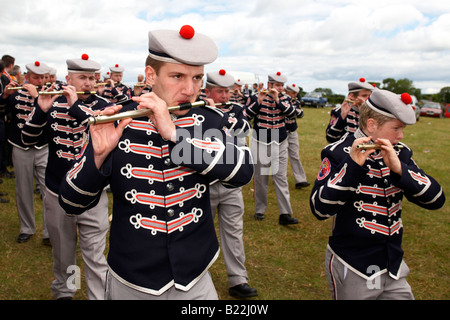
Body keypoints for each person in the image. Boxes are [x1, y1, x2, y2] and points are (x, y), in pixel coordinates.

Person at [57, 25, 254, 300]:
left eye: (197, 78)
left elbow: (243, 171)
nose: (190, 89)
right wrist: (97, 157)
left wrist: (175, 134)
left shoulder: (208, 119)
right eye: (177, 76)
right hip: (131, 280)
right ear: (151, 75)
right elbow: (70, 202)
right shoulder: (116, 119)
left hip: (195, 278)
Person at [310, 89, 446, 300]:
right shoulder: (337, 152)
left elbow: (437, 199)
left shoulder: (401, 152)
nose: (401, 136)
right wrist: (352, 167)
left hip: (392, 263)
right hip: (353, 263)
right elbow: (319, 208)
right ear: (372, 125)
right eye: (396, 128)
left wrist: (400, 169)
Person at [21, 54, 110, 300]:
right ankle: (66, 290)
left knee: (94, 254)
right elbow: (27, 139)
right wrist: (40, 110)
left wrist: (74, 107)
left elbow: (99, 126)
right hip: (57, 191)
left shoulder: (103, 105)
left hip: (93, 194)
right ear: (68, 78)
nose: (89, 83)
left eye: (92, 78)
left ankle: (98, 296)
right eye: (82, 77)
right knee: (64, 251)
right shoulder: (52, 102)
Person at [203, 69, 256, 298]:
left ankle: (238, 279)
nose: (225, 96)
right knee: (200, 232)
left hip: (231, 184)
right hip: (205, 183)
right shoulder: (198, 111)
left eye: (227, 91)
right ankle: (196, 276)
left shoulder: (236, 109)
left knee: (234, 231)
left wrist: (217, 114)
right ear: (208, 91)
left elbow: (243, 128)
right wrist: (209, 112)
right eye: (220, 91)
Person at [0, 60, 50, 244]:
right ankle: (27, 228)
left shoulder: (50, 95)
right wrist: (5, 96)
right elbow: (2, 112)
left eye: (43, 78)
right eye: (35, 77)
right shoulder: (16, 93)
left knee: (48, 191)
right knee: (23, 189)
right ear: (27, 77)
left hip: (43, 146)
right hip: (20, 146)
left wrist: (37, 96)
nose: (39, 81)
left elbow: (50, 116)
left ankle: (48, 232)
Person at [246, 72, 299, 225]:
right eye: (277, 85)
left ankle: (285, 213)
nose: (280, 88)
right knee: (261, 178)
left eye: (282, 85)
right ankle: (259, 210)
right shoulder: (256, 97)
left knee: (280, 177)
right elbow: (246, 115)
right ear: (269, 85)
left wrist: (277, 99)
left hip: (280, 140)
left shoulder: (286, 98)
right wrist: (258, 102)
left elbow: (292, 114)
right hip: (261, 140)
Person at [326, 78, 374, 143]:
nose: (367, 99)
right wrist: (342, 117)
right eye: (364, 96)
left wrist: (364, 114)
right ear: (351, 96)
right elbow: (330, 138)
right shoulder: (338, 111)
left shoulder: (372, 113)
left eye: (369, 96)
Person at [284, 83, 310, 189]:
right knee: (280, 157)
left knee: (295, 156)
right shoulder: (281, 100)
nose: (295, 95)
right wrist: (293, 111)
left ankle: (300, 180)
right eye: (293, 93)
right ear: (287, 92)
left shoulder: (296, 102)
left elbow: (300, 114)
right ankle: (279, 177)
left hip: (292, 130)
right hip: (281, 131)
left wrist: (291, 111)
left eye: (296, 93)